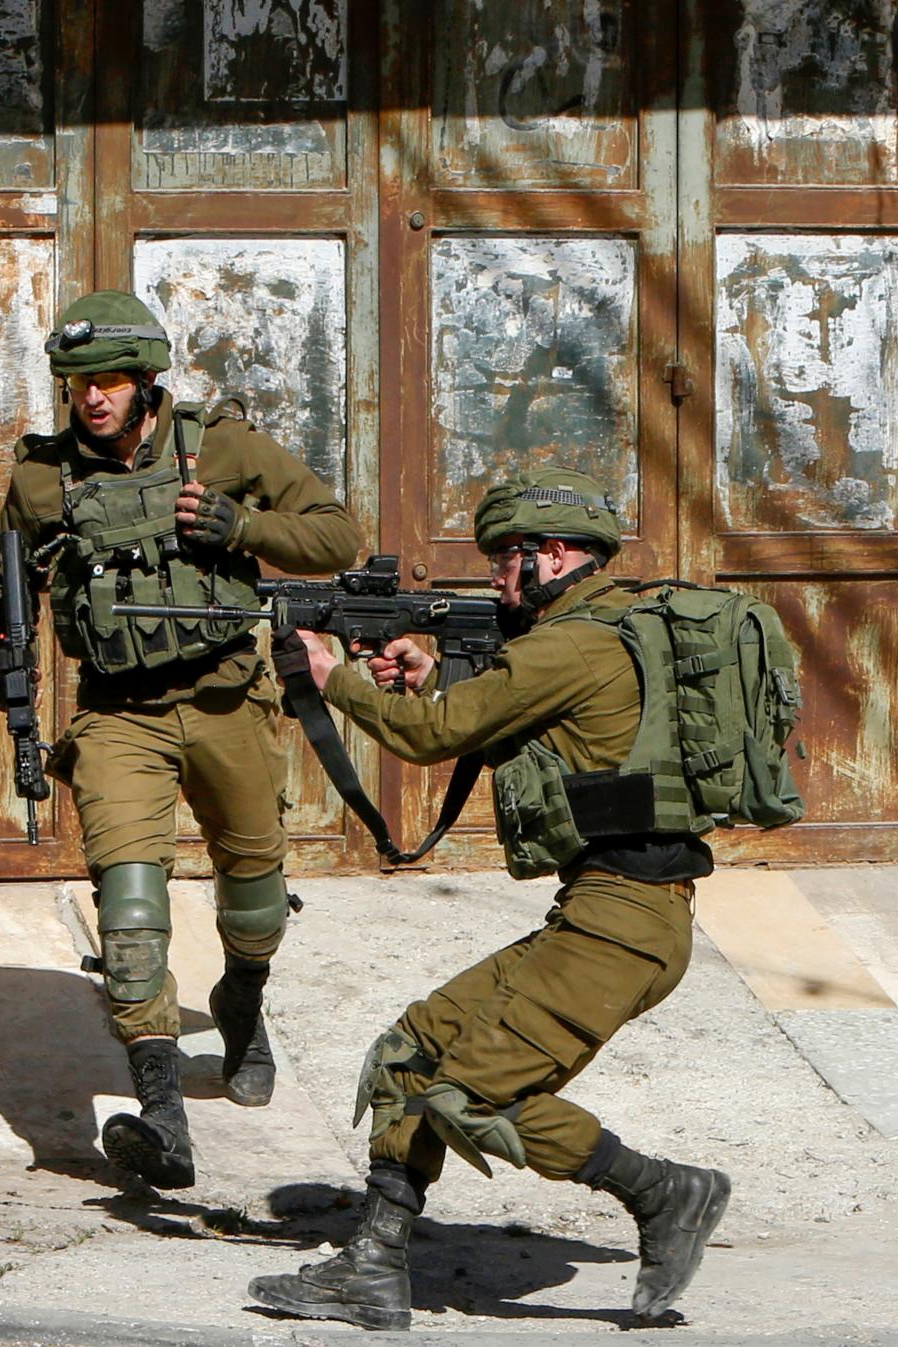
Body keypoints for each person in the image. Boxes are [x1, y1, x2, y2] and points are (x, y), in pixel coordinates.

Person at [245, 470, 728, 1330]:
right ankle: (374, 1266)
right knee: (411, 1054)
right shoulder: (596, 634)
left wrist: (335, 676)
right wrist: (431, 672)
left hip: (627, 921)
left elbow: (434, 736)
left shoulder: (569, 645)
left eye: (506, 559)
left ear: (552, 556)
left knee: (475, 1096)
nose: (496, 577)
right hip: (601, 912)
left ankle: (665, 1193)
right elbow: (512, 716)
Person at [0, 290, 358, 1189]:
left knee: (255, 896)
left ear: (147, 380)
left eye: (110, 380)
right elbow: (6, 597)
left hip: (230, 696)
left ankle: (242, 998)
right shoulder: (41, 478)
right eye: (78, 383)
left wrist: (243, 527)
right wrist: (14, 681)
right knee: (131, 910)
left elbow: (337, 534)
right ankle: (161, 1112)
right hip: (118, 712)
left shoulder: (216, 446)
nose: (94, 398)